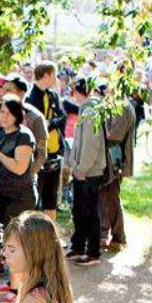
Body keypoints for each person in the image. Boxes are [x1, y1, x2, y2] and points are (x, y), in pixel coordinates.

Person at [0, 95, 38, 302]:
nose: (3, 116)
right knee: (8, 243)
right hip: (2, 197)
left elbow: (19, 167)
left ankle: (19, 289)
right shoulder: (0, 134)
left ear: (17, 115)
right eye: (1, 112)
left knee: (19, 244)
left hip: (20, 198)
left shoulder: (24, 136)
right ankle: (13, 282)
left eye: (8, 112)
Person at [64, 79, 107, 265]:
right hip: (81, 169)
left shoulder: (91, 112)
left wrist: (81, 168)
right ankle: (78, 245)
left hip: (89, 172)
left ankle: (93, 251)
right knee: (79, 210)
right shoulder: (85, 111)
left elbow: (91, 146)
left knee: (89, 212)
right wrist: (74, 163)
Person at [26, 61, 67, 221]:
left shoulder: (53, 95)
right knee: (37, 195)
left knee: (52, 195)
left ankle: (52, 231)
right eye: (54, 75)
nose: (56, 79)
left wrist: (49, 123)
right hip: (39, 153)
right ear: (47, 75)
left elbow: (62, 116)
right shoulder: (30, 98)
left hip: (55, 150)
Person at [99, 87, 135, 251]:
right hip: (112, 159)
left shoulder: (121, 105)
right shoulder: (118, 104)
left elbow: (114, 135)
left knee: (110, 198)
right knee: (107, 197)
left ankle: (119, 237)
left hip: (115, 161)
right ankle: (106, 234)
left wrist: (101, 124)